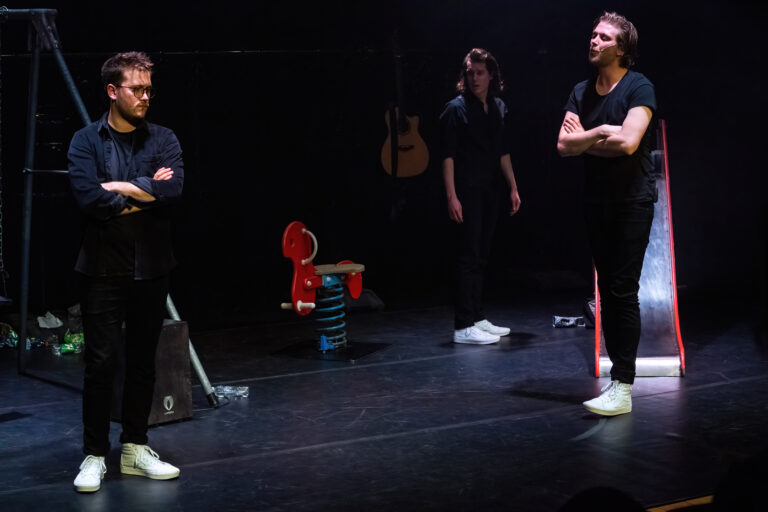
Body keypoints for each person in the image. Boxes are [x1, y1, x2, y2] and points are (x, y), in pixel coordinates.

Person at [68, 51, 184, 492]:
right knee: (100, 364)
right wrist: (141, 193)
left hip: (152, 266)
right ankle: (95, 455)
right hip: (101, 269)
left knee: (142, 362)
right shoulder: (85, 141)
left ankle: (135, 447)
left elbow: (173, 190)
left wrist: (116, 187)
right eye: (137, 89)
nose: (145, 96)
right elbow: (88, 200)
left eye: (149, 89)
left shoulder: (164, 139)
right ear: (113, 92)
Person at [557, 12, 657, 415]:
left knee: (621, 291)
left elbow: (630, 142)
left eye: (603, 37)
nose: (594, 41)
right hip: (595, 202)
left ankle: (623, 384)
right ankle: (617, 380)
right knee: (606, 296)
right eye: (593, 35)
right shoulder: (581, 91)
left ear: (622, 48)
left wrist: (586, 137)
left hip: (632, 202)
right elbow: (563, 148)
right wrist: (601, 133)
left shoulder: (639, 86)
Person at [440, 48, 521, 345]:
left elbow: (502, 151)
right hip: (467, 191)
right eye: (470, 73)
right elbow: (446, 156)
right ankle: (463, 325)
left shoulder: (498, 107)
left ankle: (476, 316)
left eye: (480, 72)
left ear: (491, 75)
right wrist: (452, 196)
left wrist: (512, 186)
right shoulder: (455, 109)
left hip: (490, 190)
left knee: (482, 256)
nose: (474, 78)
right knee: (468, 257)